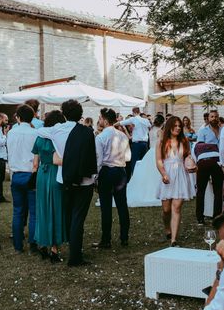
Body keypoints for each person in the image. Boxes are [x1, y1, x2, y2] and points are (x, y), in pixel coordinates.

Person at [38, 99, 97, 267]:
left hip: (64, 178)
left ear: (64, 114)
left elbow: (40, 131)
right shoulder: (87, 132)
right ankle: (75, 256)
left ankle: (73, 250)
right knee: (78, 218)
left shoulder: (56, 130)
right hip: (84, 180)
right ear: (80, 115)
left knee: (69, 216)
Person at [32, 110, 67, 262]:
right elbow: (60, 159)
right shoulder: (57, 139)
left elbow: (35, 163)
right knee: (55, 209)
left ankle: (42, 244)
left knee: (42, 209)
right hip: (54, 174)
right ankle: (54, 248)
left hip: (41, 174)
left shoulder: (39, 137)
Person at [93, 108, 131, 249]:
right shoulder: (123, 136)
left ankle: (106, 239)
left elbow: (99, 160)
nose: (99, 120)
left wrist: (95, 178)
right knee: (122, 205)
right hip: (120, 171)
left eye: (100, 118)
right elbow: (128, 157)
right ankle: (124, 237)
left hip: (107, 171)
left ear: (106, 120)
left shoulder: (101, 137)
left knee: (106, 207)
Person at [156, 116, 195, 247]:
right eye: (176, 126)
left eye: (180, 126)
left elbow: (187, 157)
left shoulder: (184, 141)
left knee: (176, 207)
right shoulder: (162, 142)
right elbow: (159, 161)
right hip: (167, 175)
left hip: (180, 175)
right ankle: (167, 228)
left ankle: (174, 239)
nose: (178, 128)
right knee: (166, 209)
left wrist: (190, 163)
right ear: (170, 126)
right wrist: (163, 174)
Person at [7, 104, 38, 255]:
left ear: (18, 117)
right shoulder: (35, 133)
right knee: (34, 213)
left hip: (16, 175)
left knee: (18, 211)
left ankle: (18, 245)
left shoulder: (11, 133)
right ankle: (32, 244)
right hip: (31, 174)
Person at [117, 107, 151, 180]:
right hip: (145, 144)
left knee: (135, 164)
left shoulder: (133, 119)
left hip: (137, 144)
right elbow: (150, 127)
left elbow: (121, 123)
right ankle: (143, 179)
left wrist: (113, 125)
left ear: (133, 112)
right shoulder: (146, 120)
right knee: (143, 163)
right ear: (139, 112)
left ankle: (136, 179)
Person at [193, 138, 222, 225]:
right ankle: (217, 217)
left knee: (200, 191)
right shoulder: (214, 145)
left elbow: (195, 160)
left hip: (202, 163)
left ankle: (200, 218)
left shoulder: (195, 146)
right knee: (217, 191)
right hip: (215, 162)